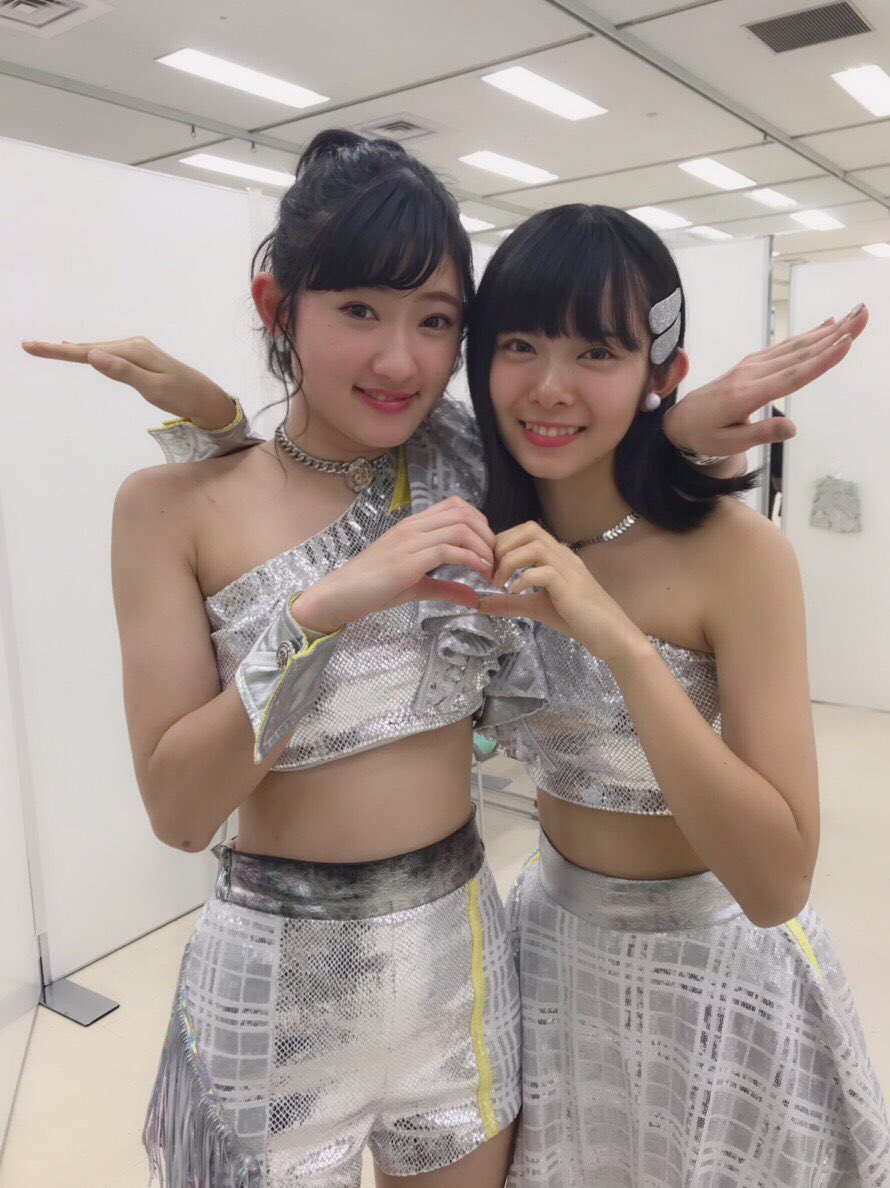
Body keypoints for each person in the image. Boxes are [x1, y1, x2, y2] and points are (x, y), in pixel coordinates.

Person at [23, 131, 868, 1188]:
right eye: (357, 310)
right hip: (276, 985)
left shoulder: (465, 464)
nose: (400, 361)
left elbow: (581, 454)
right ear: (277, 305)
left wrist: (669, 415)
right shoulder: (180, 508)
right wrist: (310, 599)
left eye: (434, 322)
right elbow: (181, 813)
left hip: (465, 976)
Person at [463, 203, 889, 1186]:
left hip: (718, 983)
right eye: (519, 345)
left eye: (597, 353)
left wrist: (619, 642)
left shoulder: (737, 556)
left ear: (662, 374)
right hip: (548, 959)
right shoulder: (480, 524)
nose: (549, 386)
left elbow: (776, 883)